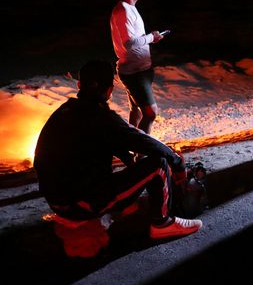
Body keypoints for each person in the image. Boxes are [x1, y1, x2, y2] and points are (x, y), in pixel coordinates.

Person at [34, 60, 202, 241]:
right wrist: (177, 164)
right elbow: (144, 142)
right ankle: (162, 223)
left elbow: (115, 143)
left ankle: (103, 207)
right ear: (110, 91)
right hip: (81, 204)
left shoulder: (64, 111)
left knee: (128, 171)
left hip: (56, 202)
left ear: (80, 85)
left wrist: (133, 167)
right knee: (158, 165)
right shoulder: (103, 118)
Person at [110, 0, 166, 134]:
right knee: (150, 113)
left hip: (141, 69)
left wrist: (151, 38)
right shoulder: (123, 11)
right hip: (134, 72)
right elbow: (130, 44)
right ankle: (141, 153)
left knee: (136, 110)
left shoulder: (130, 8)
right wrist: (152, 37)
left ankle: (133, 145)